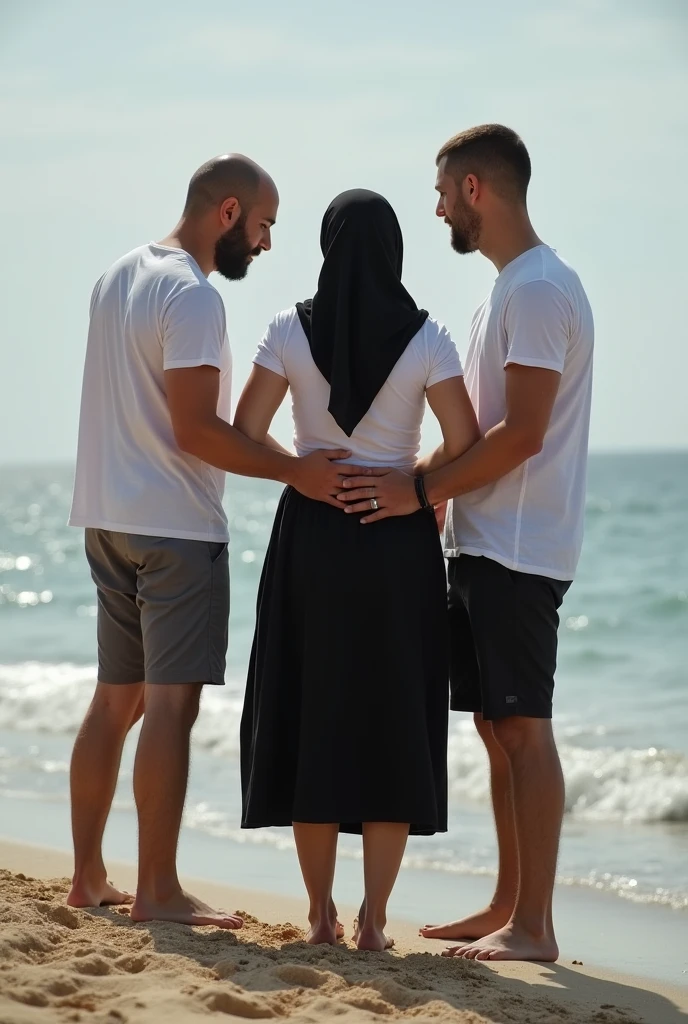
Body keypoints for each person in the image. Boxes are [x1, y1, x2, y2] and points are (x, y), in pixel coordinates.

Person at [67, 154, 366, 928]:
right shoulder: (193, 296)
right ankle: (157, 890)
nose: (266, 244)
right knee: (169, 710)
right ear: (228, 212)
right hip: (173, 530)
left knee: (114, 703)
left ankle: (88, 877)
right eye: (264, 225)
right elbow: (195, 429)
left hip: (107, 518)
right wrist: (294, 472)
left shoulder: (116, 276)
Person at [337, 126, 594, 962]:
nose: (438, 204)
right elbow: (476, 433)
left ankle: (537, 928)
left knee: (524, 727)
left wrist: (421, 491)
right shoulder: (503, 294)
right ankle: (508, 903)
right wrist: (415, 477)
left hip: (522, 547)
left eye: (443, 189)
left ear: (477, 188)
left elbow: (521, 436)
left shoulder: (541, 290)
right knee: (495, 725)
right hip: (483, 541)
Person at [234, 189, 479, 951]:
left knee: (312, 717)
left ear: (328, 246)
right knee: (391, 724)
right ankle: (375, 921)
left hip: (312, 532)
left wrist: (299, 470)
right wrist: (410, 482)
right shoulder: (429, 336)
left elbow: (247, 431)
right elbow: (466, 443)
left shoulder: (286, 328)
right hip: (396, 539)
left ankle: (320, 915)